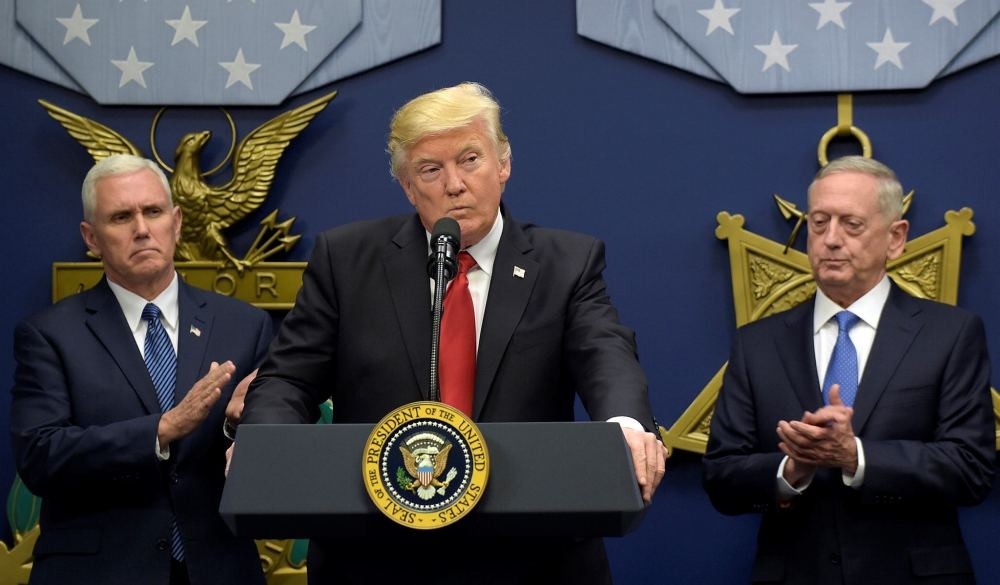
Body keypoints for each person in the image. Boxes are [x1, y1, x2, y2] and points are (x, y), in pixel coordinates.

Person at [237, 82, 667, 584]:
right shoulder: (346, 260)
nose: (455, 184)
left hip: (531, 557)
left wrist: (626, 426)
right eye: (430, 169)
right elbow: (289, 379)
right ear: (406, 185)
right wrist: (267, 444)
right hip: (378, 556)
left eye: (470, 160)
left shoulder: (567, 262)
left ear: (503, 165)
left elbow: (604, 354)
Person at [703, 156, 995, 585]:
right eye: (818, 223)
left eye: (851, 224)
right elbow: (721, 475)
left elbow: (971, 468)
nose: (831, 240)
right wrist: (791, 471)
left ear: (896, 238)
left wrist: (855, 456)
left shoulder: (950, 334)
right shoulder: (757, 343)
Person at [10, 154, 272, 585]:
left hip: (218, 569)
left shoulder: (244, 326)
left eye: (152, 212)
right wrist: (161, 430)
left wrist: (239, 427)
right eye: (120, 217)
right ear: (91, 237)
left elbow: (265, 457)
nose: (141, 229)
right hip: (97, 572)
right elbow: (40, 457)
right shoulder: (49, 335)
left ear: (177, 221)